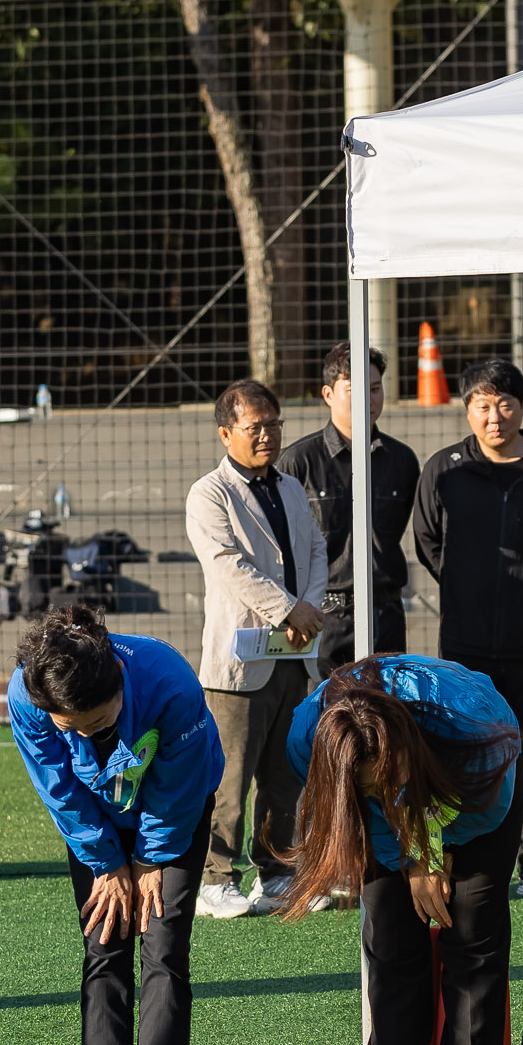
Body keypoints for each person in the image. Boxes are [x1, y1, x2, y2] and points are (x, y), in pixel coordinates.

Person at [9, 605, 225, 1045]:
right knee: (103, 947)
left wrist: (151, 857)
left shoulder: (169, 681)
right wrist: (108, 864)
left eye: (98, 724)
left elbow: (180, 784)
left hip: (172, 814)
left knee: (163, 945)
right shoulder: (26, 695)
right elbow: (58, 788)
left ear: (120, 689)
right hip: (95, 827)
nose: (84, 735)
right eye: (69, 727)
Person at [281, 655, 521, 1045]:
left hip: (471, 806)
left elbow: (491, 805)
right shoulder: (307, 739)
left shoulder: (478, 730)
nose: (382, 791)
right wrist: (411, 857)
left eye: (387, 779)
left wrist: (435, 850)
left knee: (472, 940)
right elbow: (359, 807)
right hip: (384, 830)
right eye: (368, 784)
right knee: (390, 941)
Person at [413, 359, 523, 901]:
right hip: (463, 645)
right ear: (467, 410)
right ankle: (463, 858)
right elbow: (427, 542)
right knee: (461, 750)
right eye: (483, 406)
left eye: (505, 403)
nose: (495, 416)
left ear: (521, 406)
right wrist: (467, 589)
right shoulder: (445, 469)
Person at [187, 379, 327, 919]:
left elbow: (316, 548)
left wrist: (308, 611)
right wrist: (290, 610)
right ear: (226, 434)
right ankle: (215, 878)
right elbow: (226, 565)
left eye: (274, 425)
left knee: (284, 773)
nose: (268, 435)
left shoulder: (290, 487)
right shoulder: (209, 493)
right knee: (228, 775)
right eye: (255, 428)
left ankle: (276, 874)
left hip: (293, 651)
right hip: (238, 660)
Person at [281, 345, 420, 667]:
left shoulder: (401, 461)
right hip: (321, 616)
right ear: (328, 394)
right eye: (355, 390)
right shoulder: (299, 462)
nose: (369, 399)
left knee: (385, 713)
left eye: (375, 389)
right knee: (327, 714)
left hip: (385, 614)